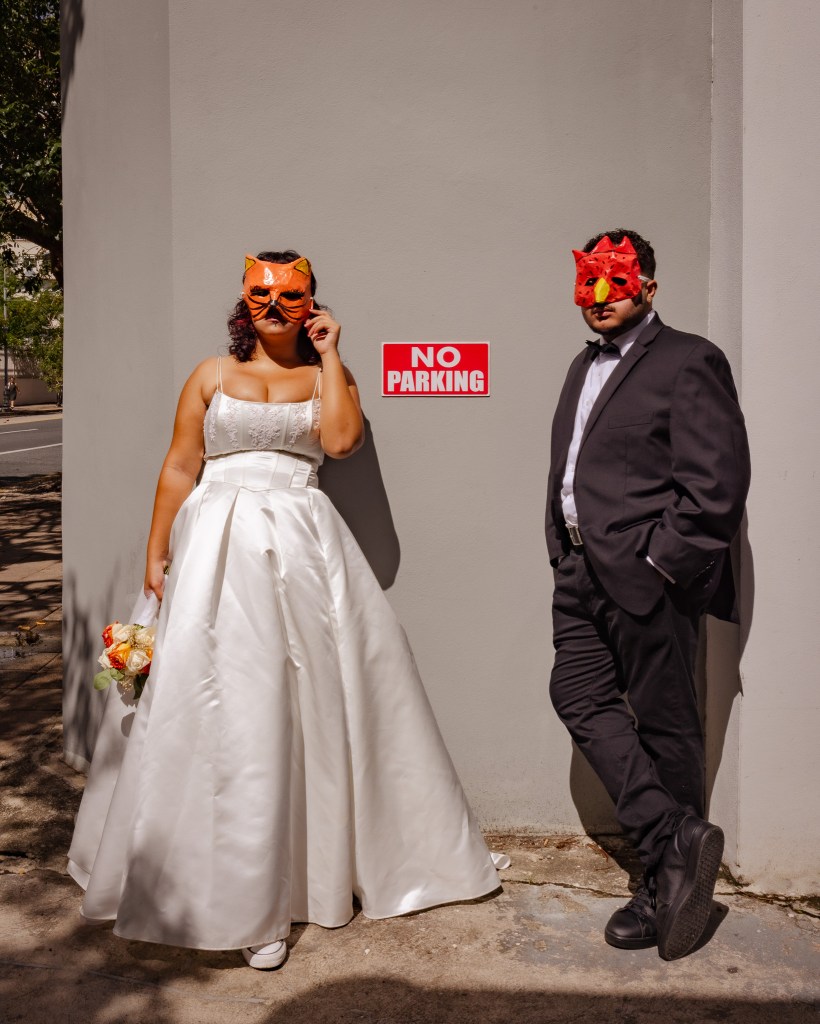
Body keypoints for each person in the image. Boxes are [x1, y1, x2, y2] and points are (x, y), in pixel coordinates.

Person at [68, 250, 503, 969]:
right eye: (261, 294)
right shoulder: (210, 374)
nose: (274, 306)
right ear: (245, 300)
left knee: (301, 701)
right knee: (208, 698)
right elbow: (180, 464)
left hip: (300, 545)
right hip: (212, 544)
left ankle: (292, 885)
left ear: (312, 303)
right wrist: (155, 552)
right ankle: (192, 875)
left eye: (290, 296)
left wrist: (332, 355)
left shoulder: (329, 375)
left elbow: (341, 443)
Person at [545, 230, 750, 961]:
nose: (600, 297)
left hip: (646, 576)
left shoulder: (689, 359)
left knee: (666, 726)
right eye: (589, 283)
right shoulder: (583, 364)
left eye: (618, 282)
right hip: (579, 573)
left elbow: (717, 483)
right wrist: (562, 549)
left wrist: (663, 561)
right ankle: (676, 841)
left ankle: (664, 888)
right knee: (576, 694)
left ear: (649, 289)